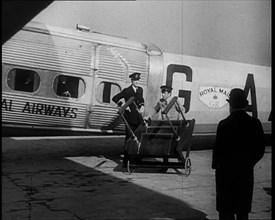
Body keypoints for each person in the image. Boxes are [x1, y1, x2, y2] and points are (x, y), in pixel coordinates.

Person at [212, 88, 265, 220]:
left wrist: (217, 166)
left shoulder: (223, 124)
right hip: (245, 173)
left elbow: (217, 150)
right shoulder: (255, 123)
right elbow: (260, 149)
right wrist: (248, 163)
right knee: (242, 210)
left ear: (231, 104)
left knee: (226, 211)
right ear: (245, 105)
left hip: (225, 174)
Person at [112, 72, 145, 167]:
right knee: (129, 138)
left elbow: (141, 99)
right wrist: (123, 105)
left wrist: (142, 105)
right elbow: (115, 98)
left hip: (138, 118)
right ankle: (126, 161)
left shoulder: (140, 90)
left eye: (138, 80)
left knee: (138, 138)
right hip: (129, 118)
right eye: (135, 80)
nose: (137, 82)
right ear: (132, 81)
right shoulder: (127, 91)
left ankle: (135, 159)